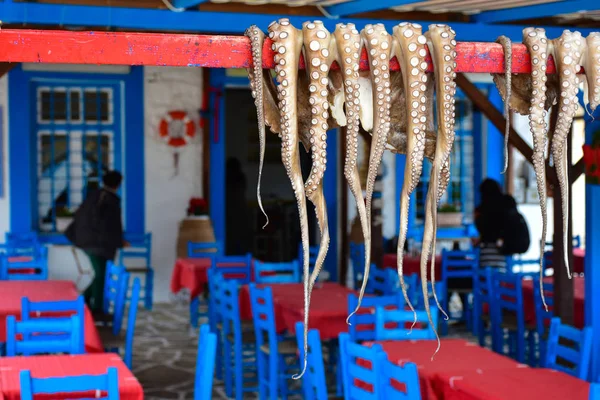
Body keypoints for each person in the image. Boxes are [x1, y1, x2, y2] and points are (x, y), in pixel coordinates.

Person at [65, 170, 127, 313]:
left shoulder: (94, 196)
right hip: (98, 244)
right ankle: (96, 309)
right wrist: (119, 241)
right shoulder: (110, 199)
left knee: (100, 274)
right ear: (118, 184)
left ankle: (84, 302)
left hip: (86, 240)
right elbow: (112, 225)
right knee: (100, 275)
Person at [474, 178, 509, 269]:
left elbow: (482, 230)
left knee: (487, 278)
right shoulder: (505, 207)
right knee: (500, 277)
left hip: (487, 251)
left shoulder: (481, 211)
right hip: (502, 249)